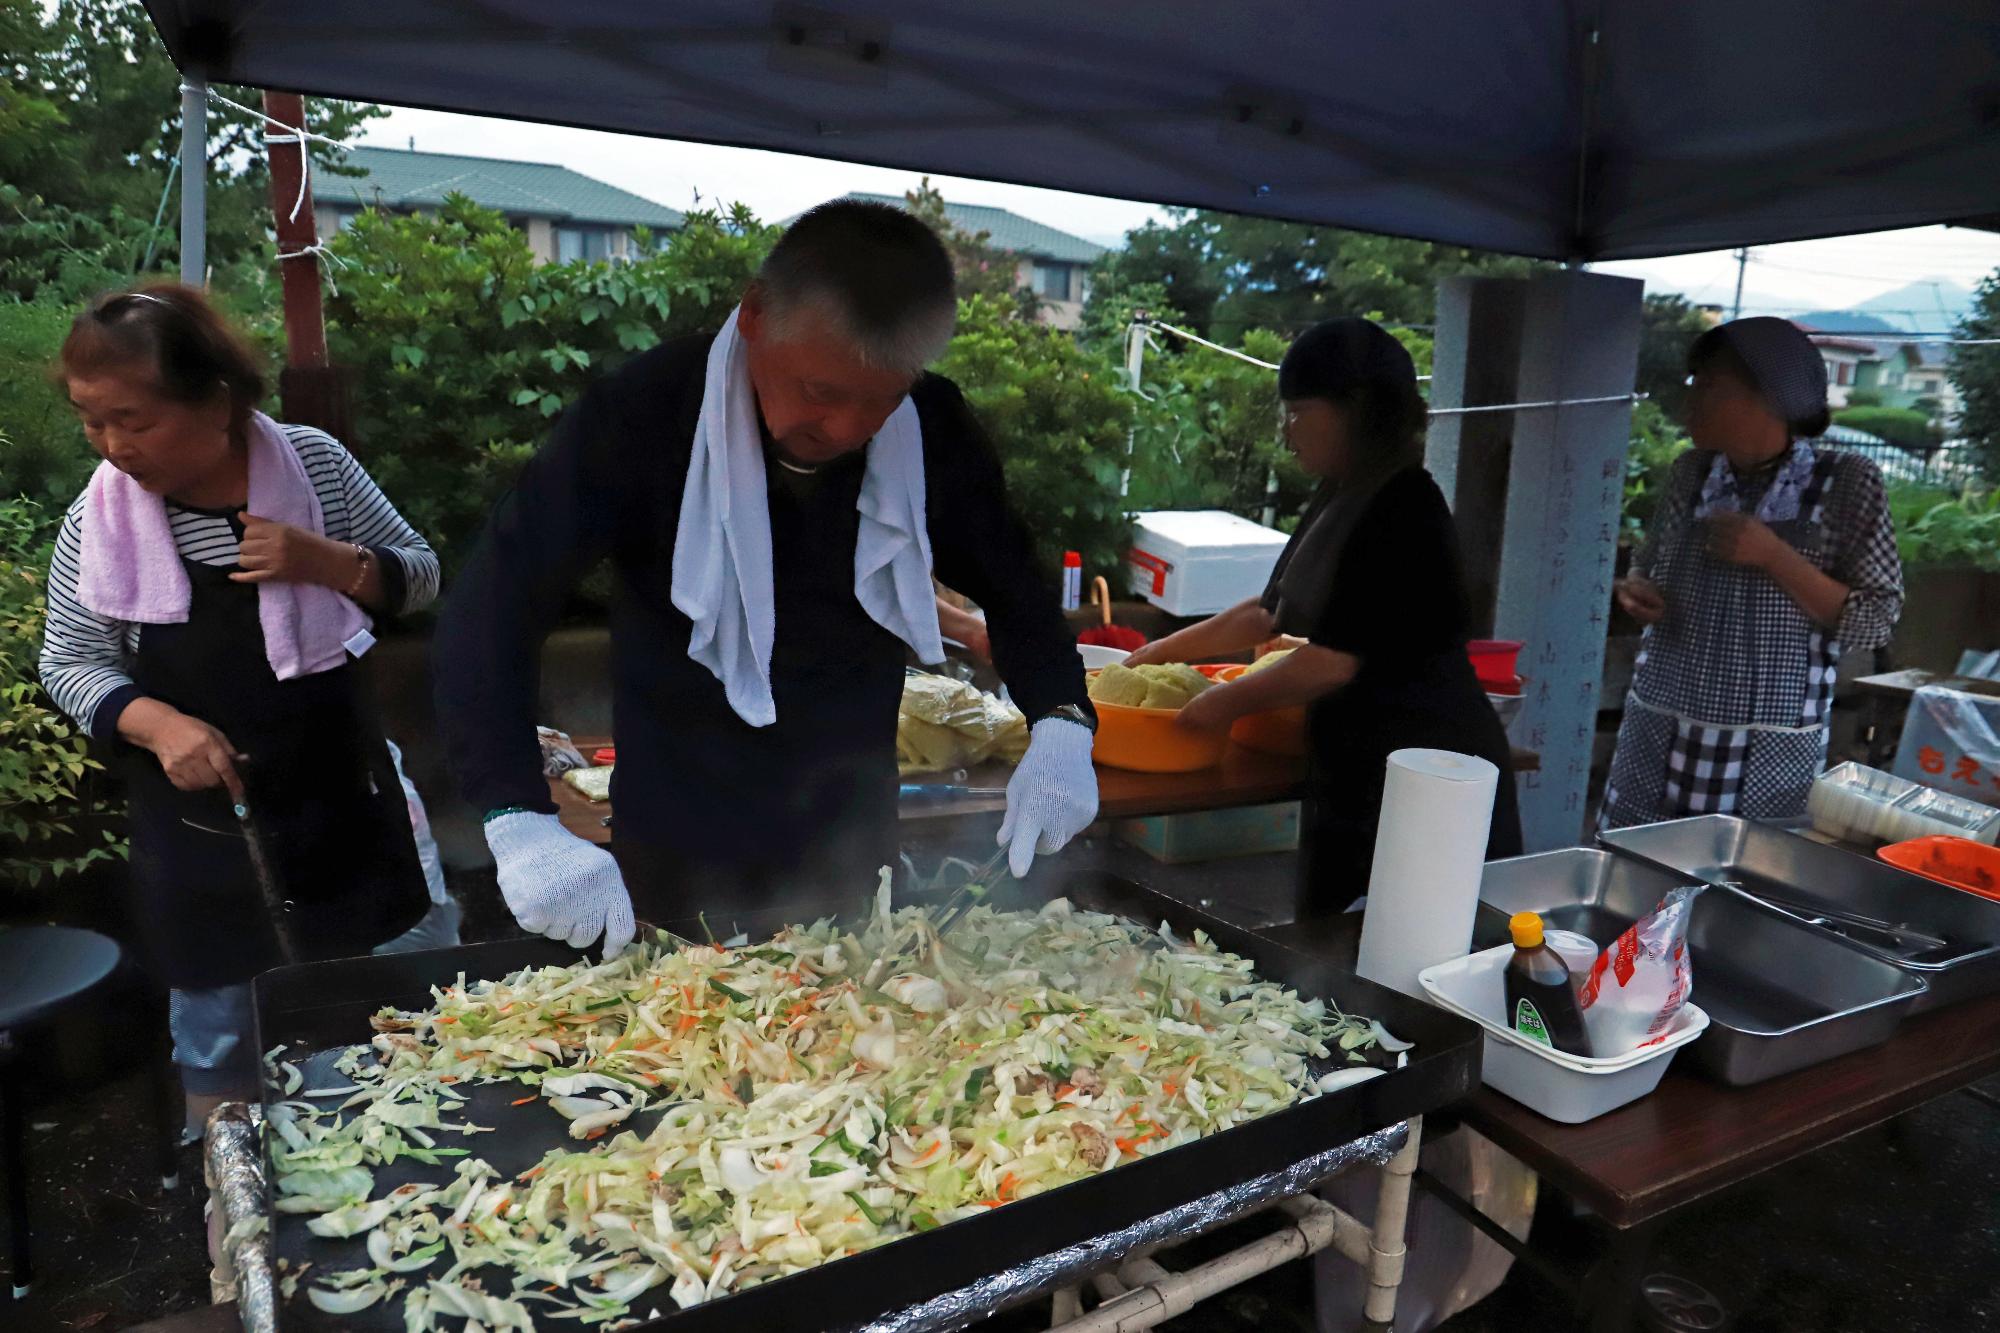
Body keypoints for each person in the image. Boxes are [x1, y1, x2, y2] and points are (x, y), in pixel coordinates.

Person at [432, 201, 1097, 956]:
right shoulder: (645, 416)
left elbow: (1016, 586)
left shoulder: (932, 428)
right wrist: (515, 814)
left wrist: (1061, 716)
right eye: (820, 391)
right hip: (677, 830)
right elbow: (494, 604)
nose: (845, 430)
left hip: (853, 831)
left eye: (879, 399)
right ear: (754, 315)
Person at [37, 284, 447, 1131]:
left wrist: (327, 559)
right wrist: (160, 725)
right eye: (91, 421)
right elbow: (71, 658)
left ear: (216, 401)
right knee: (222, 1043)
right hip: (201, 833)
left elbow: (422, 572)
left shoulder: (315, 467)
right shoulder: (98, 520)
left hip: (341, 805)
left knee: (382, 1025)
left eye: (133, 420)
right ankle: (239, 1234)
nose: (112, 446)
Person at [1124, 318, 1521, 914]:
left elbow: (1332, 661)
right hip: (1357, 765)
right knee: (1340, 940)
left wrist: (1216, 704)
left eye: (1298, 412)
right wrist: (1154, 654)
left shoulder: (1405, 506)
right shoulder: (1345, 491)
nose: (1287, 434)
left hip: (1428, 768)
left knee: (1414, 942)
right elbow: (1266, 616)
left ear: (1355, 409)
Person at [1602, 317, 1903, 827]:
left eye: (1708, 385)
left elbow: (1875, 618)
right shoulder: (1691, 472)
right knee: (1636, 873)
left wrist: (1775, 556)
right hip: (1657, 727)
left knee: (1740, 885)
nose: (1689, 399)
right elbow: (1646, 568)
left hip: (1766, 749)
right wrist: (1636, 590)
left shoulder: (1846, 481)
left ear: (1771, 395)